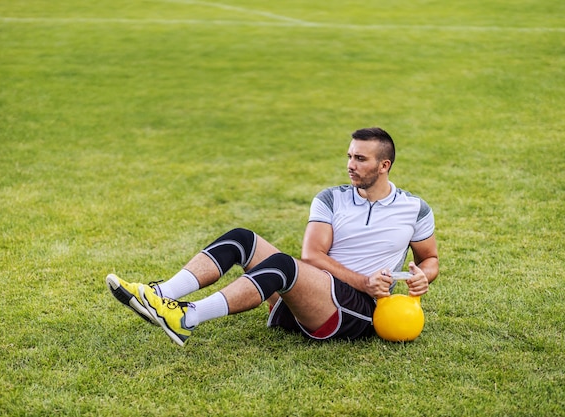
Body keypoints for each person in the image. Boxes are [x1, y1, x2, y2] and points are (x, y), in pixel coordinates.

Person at [106, 127, 439, 346]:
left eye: (360, 159)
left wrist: (422, 277)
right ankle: (159, 294)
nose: (350, 165)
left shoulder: (414, 208)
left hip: (357, 310)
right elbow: (312, 256)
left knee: (283, 265)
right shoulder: (331, 197)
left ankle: (187, 317)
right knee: (242, 238)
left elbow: (429, 259)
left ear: (384, 165)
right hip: (313, 294)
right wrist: (362, 278)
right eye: (349, 156)